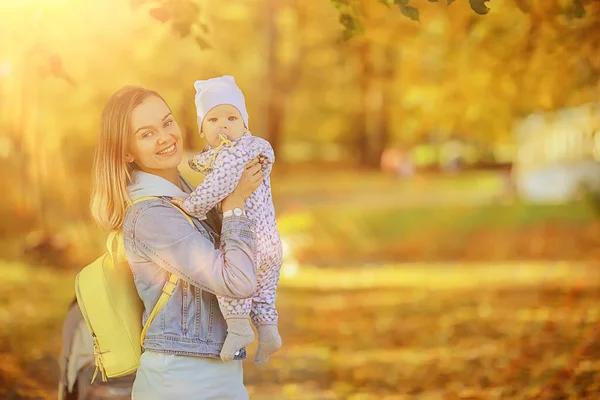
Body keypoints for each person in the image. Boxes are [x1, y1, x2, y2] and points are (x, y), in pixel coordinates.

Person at [90, 85, 263, 399]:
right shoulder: (150, 215)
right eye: (146, 134)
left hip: (220, 375)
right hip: (181, 381)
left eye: (167, 123)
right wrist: (235, 202)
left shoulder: (188, 195)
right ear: (126, 151)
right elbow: (236, 281)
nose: (165, 137)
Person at [171, 75, 282, 365]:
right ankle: (269, 331)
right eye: (213, 119)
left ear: (245, 124)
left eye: (232, 117)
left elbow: (219, 185)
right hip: (270, 240)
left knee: (233, 281)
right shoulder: (249, 149)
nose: (223, 126)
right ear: (202, 129)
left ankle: (239, 327)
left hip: (247, 238)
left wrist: (192, 204)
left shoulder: (234, 153)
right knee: (263, 290)